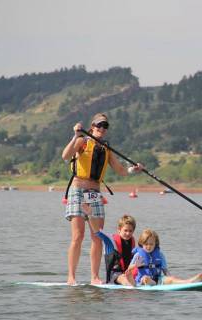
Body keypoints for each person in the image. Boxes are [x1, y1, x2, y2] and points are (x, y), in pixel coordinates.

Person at [61, 113, 143, 285]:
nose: (102, 129)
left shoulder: (106, 148)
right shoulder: (82, 141)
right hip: (78, 190)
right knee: (78, 236)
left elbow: (121, 170)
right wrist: (75, 135)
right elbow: (65, 156)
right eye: (99, 125)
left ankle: (94, 277)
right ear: (92, 126)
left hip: (95, 194)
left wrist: (133, 170)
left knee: (97, 236)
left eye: (105, 126)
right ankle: (71, 277)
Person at [82, 203, 137, 286]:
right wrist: (90, 215)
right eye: (125, 230)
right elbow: (97, 231)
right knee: (123, 278)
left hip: (128, 274)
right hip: (114, 277)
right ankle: (131, 285)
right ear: (119, 230)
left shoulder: (132, 241)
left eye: (130, 231)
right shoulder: (111, 240)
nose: (128, 233)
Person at [128, 228, 202, 286]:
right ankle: (148, 283)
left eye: (151, 244)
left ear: (155, 244)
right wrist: (135, 265)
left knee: (171, 279)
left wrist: (170, 279)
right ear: (142, 244)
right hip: (142, 280)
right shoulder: (138, 255)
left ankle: (189, 282)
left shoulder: (160, 255)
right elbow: (128, 269)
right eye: (146, 244)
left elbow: (165, 270)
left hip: (158, 279)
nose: (148, 246)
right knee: (146, 278)